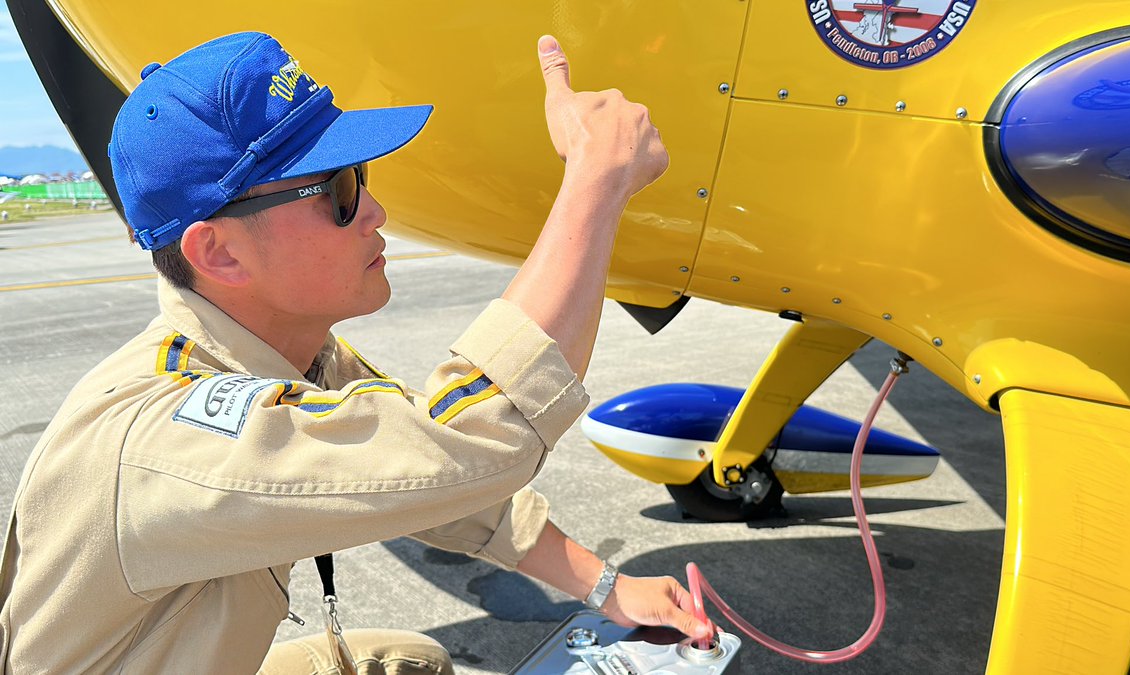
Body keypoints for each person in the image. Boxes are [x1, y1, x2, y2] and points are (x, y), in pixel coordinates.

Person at [0, 31, 710, 673]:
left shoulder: (288, 353)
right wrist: (595, 181)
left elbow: (434, 478)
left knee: (405, 660)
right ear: (217, 251)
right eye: (337, 190)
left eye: (360, 174)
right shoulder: (168, 440)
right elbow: (471, 441)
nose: (373, 211)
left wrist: (609, 586)